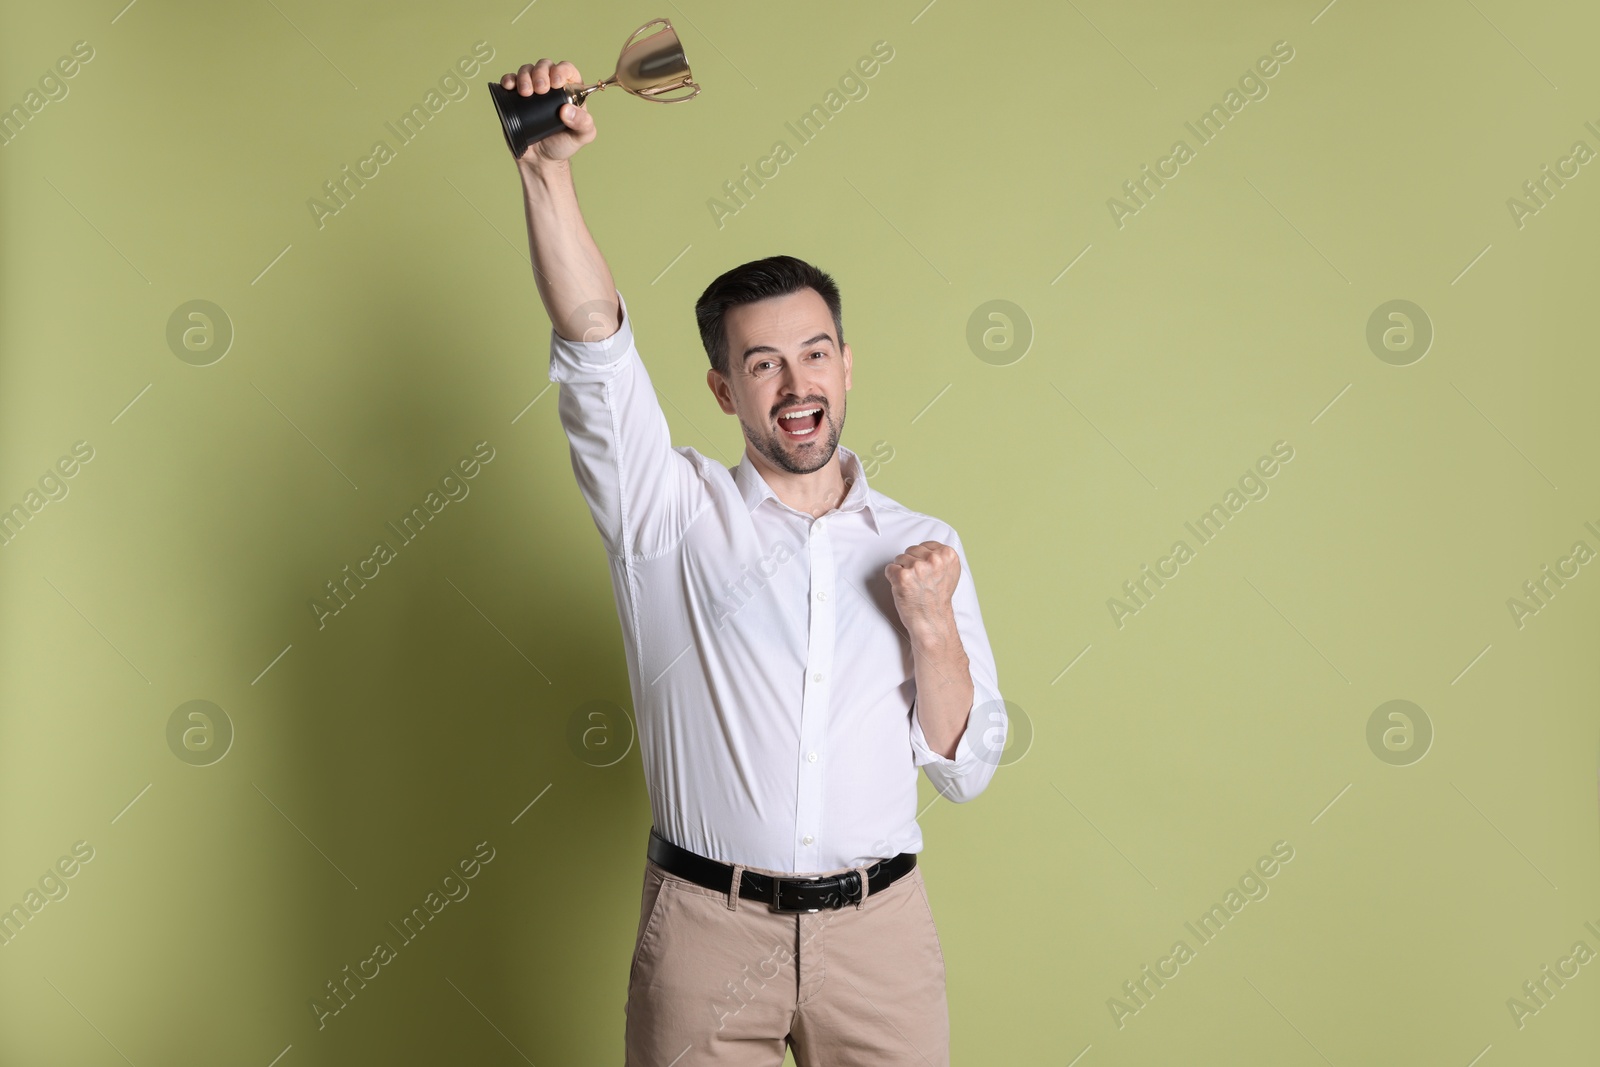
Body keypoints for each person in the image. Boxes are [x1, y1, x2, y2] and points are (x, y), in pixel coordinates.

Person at [499, 56, 1007, 1067]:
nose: (795, 380)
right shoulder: (667, 517)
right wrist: (544, 172)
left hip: (881, 937)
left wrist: (931, 622)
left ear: (846, 365)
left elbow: (965, 765)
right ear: (725, 388)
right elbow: (594, 340)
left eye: (816, 351)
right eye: (762, 361)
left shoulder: (921, 545)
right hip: (705, 929)